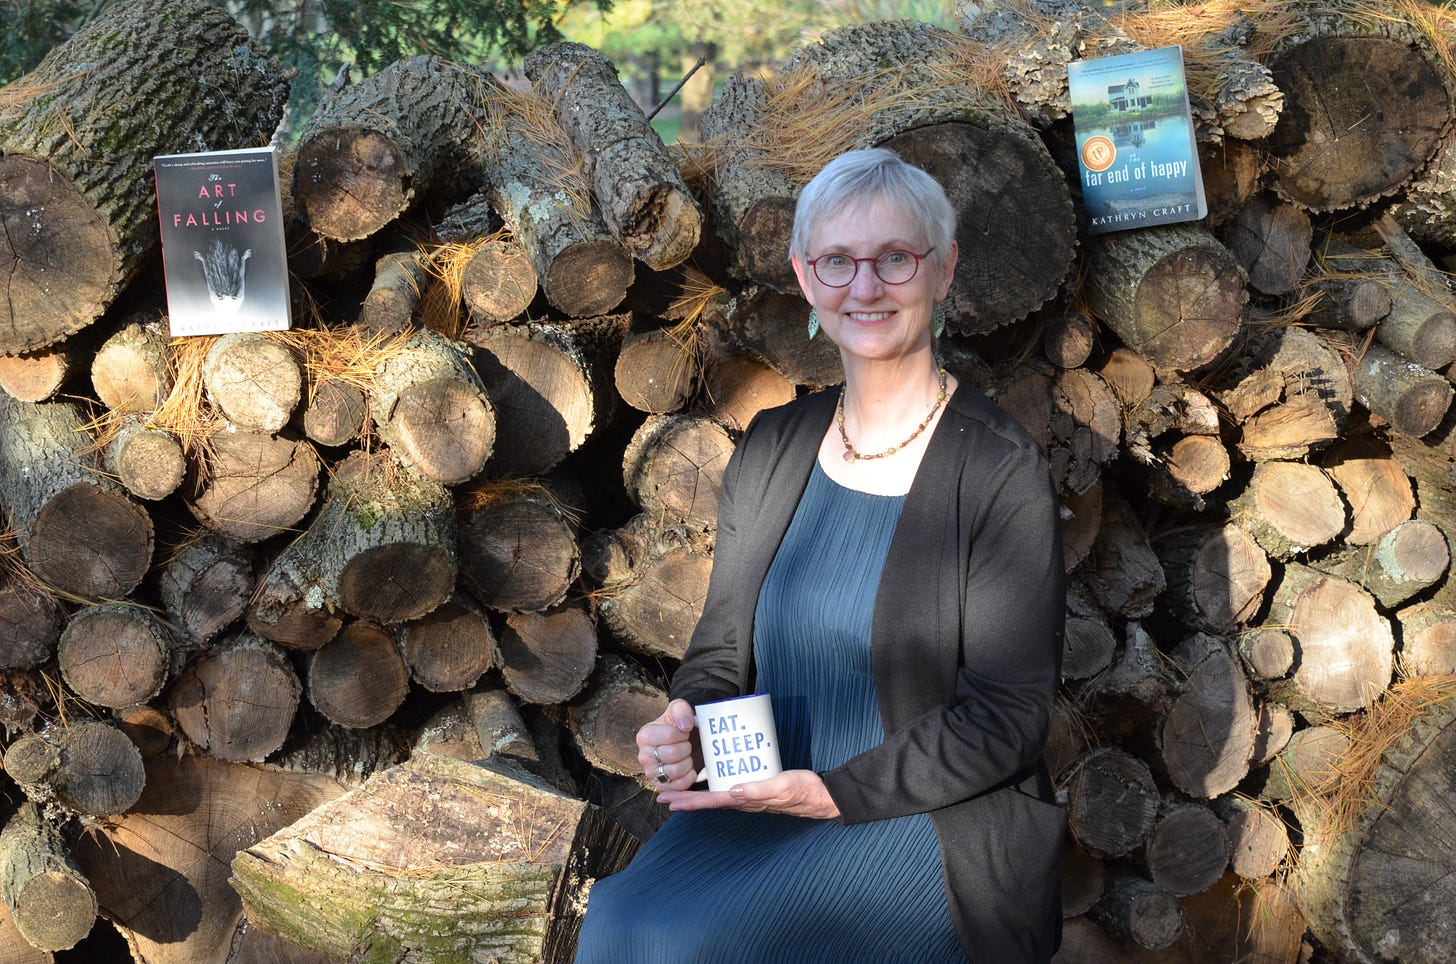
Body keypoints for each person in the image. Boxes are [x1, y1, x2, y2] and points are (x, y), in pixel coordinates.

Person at [574, 148, 1065, 963]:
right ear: (806, 278)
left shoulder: (997, 470)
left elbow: (1008, 719)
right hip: (764, 799)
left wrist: (833, 794)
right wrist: (686, 723)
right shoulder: (773, 445)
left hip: (926, 823)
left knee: (705, 945)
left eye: (895, 259)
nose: (865, 288)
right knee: (614, 922)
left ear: (943, 270)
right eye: (838, 261)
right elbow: (721, 650)